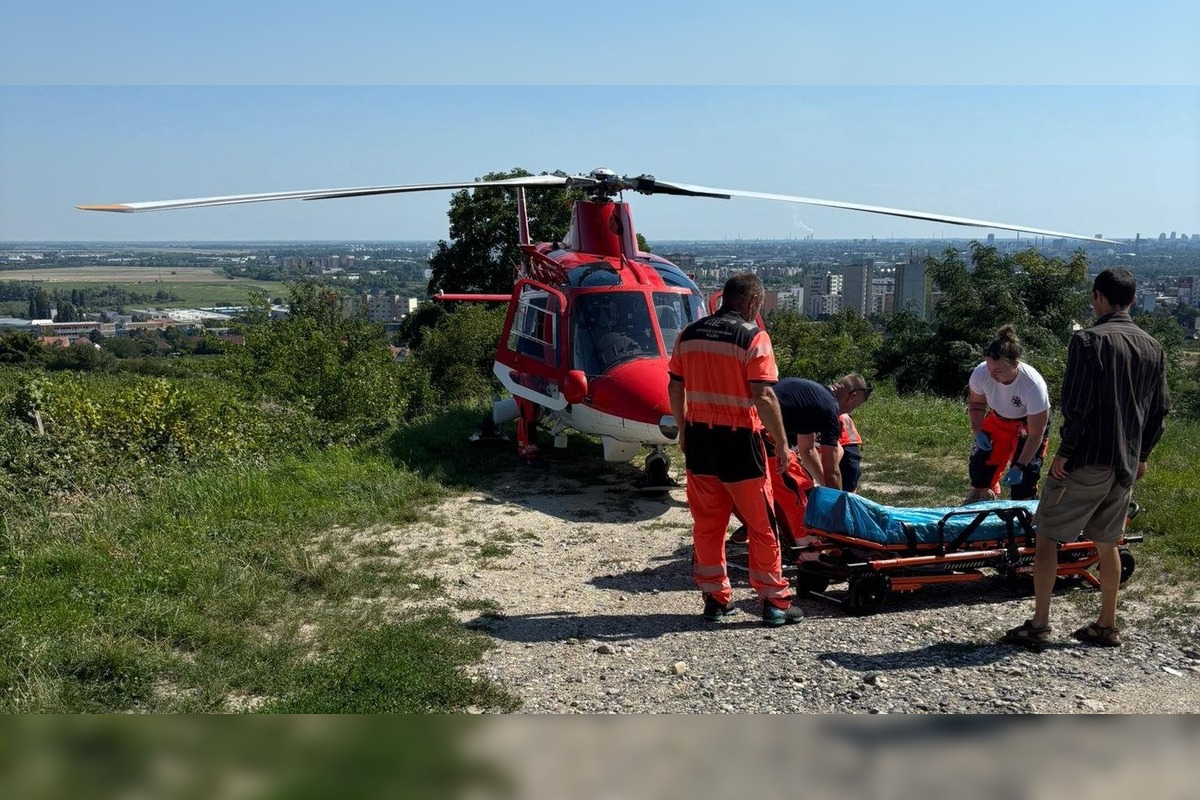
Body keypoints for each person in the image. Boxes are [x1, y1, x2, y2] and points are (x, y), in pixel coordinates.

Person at [1003, 268, 1170, 649]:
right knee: (1108, 541)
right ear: (1132, 300)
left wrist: (1065, 452)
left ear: (1098, 297)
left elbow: (1078, 405)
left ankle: (1040, 623)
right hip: (1125, 462)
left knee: (1047, 534)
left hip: (1087, 458)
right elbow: (1160, 409)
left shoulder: (1088, 341)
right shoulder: (1153, 347)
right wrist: (1142, 454)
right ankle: (1106, 624)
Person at [667, 273, 804, 627]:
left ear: (723, 297)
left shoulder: (689, 334)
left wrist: (683, 430)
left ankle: (715, 599)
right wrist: (783, 444)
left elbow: (675, 386)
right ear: (753, 302)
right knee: (761, 524)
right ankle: (774, 601)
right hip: (739, 441)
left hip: (699, 439)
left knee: (708, 524)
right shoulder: (753, 337)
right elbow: (764, 395)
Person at [966, 326, 1051, 502]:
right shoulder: (981, 373)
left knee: (1025, 479)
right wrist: (977, 431)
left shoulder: (1033, 386)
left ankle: (1025, 509)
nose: (992, 375)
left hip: (1028, 424)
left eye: (998, 371)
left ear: (1014, 365)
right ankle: (983, 498)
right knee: (980, 467)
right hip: (997, 418)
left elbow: (1035, 435)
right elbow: (976, 403)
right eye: (989, 368)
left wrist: (1020, 466)